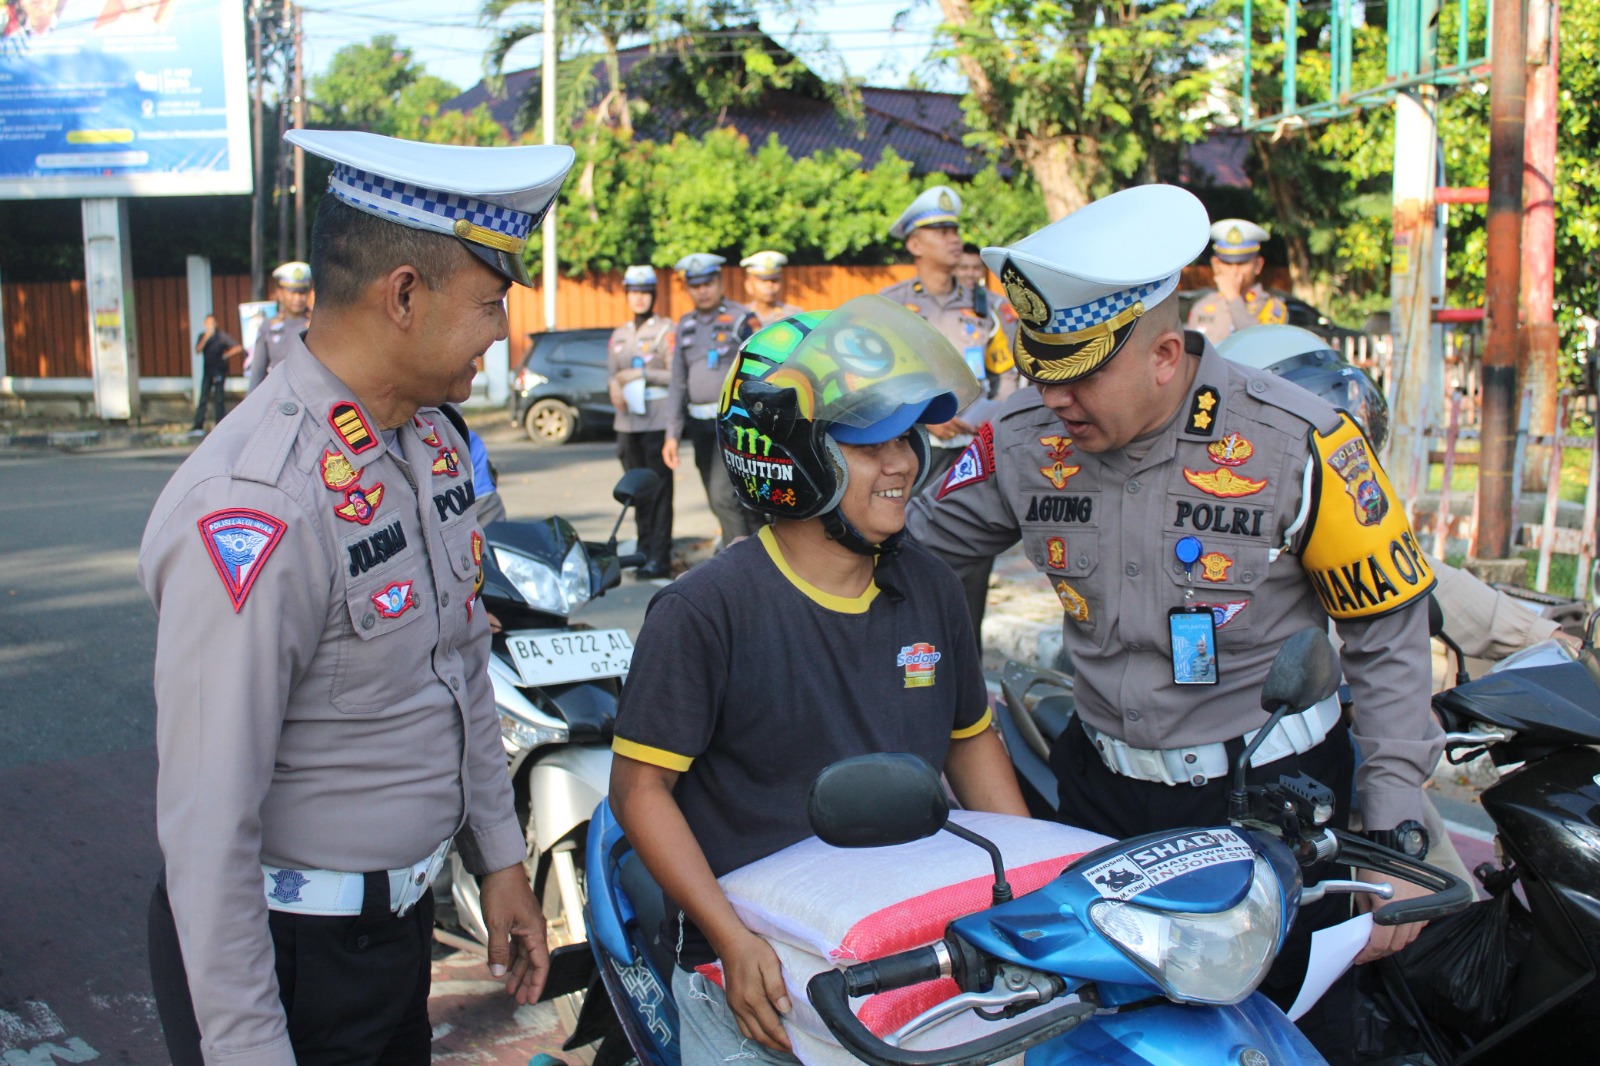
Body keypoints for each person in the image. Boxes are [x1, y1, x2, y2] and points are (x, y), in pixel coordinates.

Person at [904, 184, 1441, 1063]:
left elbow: (1386, 635)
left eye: (1079, 375)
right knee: (1109, 1038)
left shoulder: (1298, 441)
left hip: (1270, 803)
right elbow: (916, 550)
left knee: (1288, 1034)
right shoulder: (1020, 437)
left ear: (1163, 355)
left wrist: (1389, 829)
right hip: (1104, 800)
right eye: (1040, 371)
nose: (1055, 398)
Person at [139, 129, 575, 1065]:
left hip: (393, 937)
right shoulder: (259, 503)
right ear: (404, 295)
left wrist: (500, 860)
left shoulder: (431, 444)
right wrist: (248, 1050)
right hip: (287, 960)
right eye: (491, 304)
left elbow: (460, 665)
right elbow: (209, 827)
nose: (502, 333)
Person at [610, 295, 1030, 1062]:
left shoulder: (930, 587)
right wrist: (732, 940)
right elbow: (640, 792)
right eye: (870, 443)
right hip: (758, 970)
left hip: (910, 943)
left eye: (906, 438)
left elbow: (971, 746)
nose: (902, 463)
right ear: (791, 459)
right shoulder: (705, 611)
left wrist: (1031, 900)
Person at [879, 187, 1019, 490]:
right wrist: (922, 417)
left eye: (955, 230)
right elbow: (877, 378)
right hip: (913, 446)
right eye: (942, 232)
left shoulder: (990, 306)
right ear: (915, 244)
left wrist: (992, 418)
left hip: (977, 445)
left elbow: (1006, 375)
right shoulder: (889, 305)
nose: (954, 239)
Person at [662, 252, 763, 547]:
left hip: (734, 423)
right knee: (718, 496)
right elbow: (677, 382)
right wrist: (671, 434)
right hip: (699, 424)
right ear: (688, 288)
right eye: (695, 285)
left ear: (720, 282)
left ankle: (737, 561)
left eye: (708, 283)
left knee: (724, 497)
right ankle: (758, 552)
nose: (702, 290)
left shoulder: (742, 319)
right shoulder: (685, 325)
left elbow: (762, 367)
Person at [608, 264, 676, 578]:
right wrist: (613, 385)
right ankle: (643, 551)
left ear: (653, 295)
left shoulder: (665, 330)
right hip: (627, 424)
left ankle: (659, 557)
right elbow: (612, 373)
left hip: (656, 422)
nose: (639, 298)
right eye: (633, 292)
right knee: (636, 492)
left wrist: (642, 374)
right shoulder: (619, 335)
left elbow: (676, 374)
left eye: (645, 292)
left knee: (659, 493)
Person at [1185, 218, 1289, 345]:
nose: (1234, 271)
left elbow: (1261, 345)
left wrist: (1234, 298)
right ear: (1215, 265)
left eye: (1242, 263)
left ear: (1258, 265)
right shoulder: (1203, 305)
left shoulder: (1273, 306)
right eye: (1227, 263)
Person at [246, 261, 313, 392]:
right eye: (292, 292)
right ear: (280, 293)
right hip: (278, 396)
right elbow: (257, 373)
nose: (298, 298)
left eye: (302, 292)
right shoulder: (269, 327)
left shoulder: (317, 326)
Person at [189, 313, 243, 436]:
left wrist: (226, 355)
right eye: (209, 323)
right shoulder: (203, 336)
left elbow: (238, 347)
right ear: (205, 324)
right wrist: (206, 337)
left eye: (213, 323)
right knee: (203, 398)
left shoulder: (222, 336)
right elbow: (197, 350)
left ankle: (220, 424)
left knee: (219, 399)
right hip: (207, 371)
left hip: (219, 370)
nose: (211, 325)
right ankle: (198, 425)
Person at [739, 249, 802, 326]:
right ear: (748, 285)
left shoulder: (794, 316)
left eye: (774, 280)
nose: (769, 285)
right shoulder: (740, 315)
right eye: (764, 281)